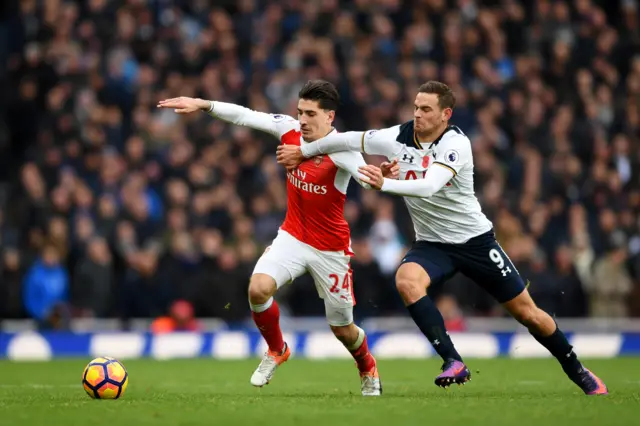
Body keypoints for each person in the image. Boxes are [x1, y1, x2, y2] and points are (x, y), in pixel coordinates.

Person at [276, 80, 608, 395]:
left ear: (445, 114)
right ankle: (452, 360)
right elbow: (346, 140)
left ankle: (577, 369)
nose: (417, 114)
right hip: (433, 245)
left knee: (528, 315)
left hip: (476, 242)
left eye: (426, 109)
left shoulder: (456, 144)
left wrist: (383, 185)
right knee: (406, 281)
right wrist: (304, 152)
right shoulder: (396, 137)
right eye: (416, 107)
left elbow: (428, 186)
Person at [157, 80, 396, 396]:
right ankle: (276, 349)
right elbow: (246, 116)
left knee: (343, 329)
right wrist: (203, 104)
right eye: (300, 112)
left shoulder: (342, 149)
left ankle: (367, 367)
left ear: (330, 117)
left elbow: (367, 182)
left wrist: (381, 177)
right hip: (293, 236)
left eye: (311, 113)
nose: (303, 120)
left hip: (330, 249)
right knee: (258, 289)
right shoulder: (288, 131)